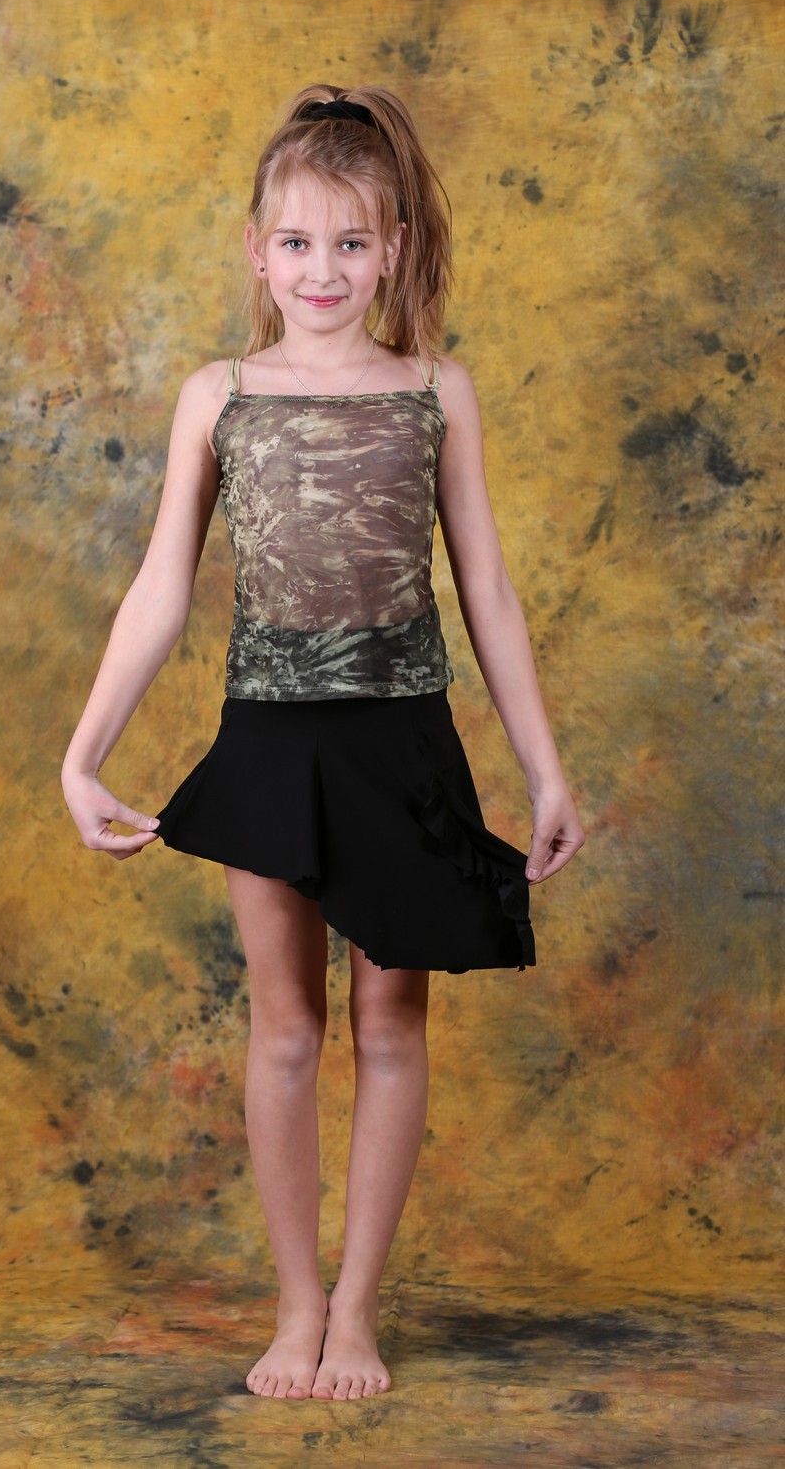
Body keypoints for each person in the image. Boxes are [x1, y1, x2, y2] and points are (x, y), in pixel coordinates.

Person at [61, 83, 584, 1403]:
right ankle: (295, 1303)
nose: (323, 270)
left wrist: (545, 769)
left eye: (351, 242)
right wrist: (83, 753)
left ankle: (357, 1311)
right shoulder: (219, 395)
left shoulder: (436, 392)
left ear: (394, 247)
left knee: (390, 1024)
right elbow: (162, 588)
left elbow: (488, 591)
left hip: (404, 741)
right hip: (270, 743)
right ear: (256, 251)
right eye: (297, 242)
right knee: (286, 1027)